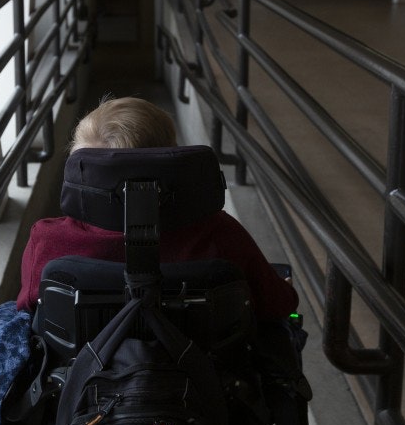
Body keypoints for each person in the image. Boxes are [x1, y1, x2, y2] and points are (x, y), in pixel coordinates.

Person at [16, 96, 299, 321]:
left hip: (86, 381)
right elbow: (279, 305)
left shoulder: (49, 239)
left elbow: (29, 306)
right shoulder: (220, 234)